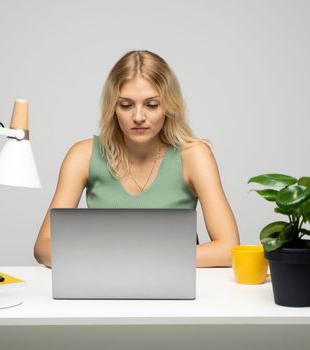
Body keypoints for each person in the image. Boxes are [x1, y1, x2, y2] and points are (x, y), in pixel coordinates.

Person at [34, 50, 239, 268]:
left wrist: (136, 260)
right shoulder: (82, 156)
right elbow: (43, 247)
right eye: (126, 105)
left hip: (173, 290)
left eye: (152, 105)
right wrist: (112, 262)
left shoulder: (194, 155)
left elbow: (228, 249)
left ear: (169, 106)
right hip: (105, 286)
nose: (139, 117)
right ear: (113, 107)